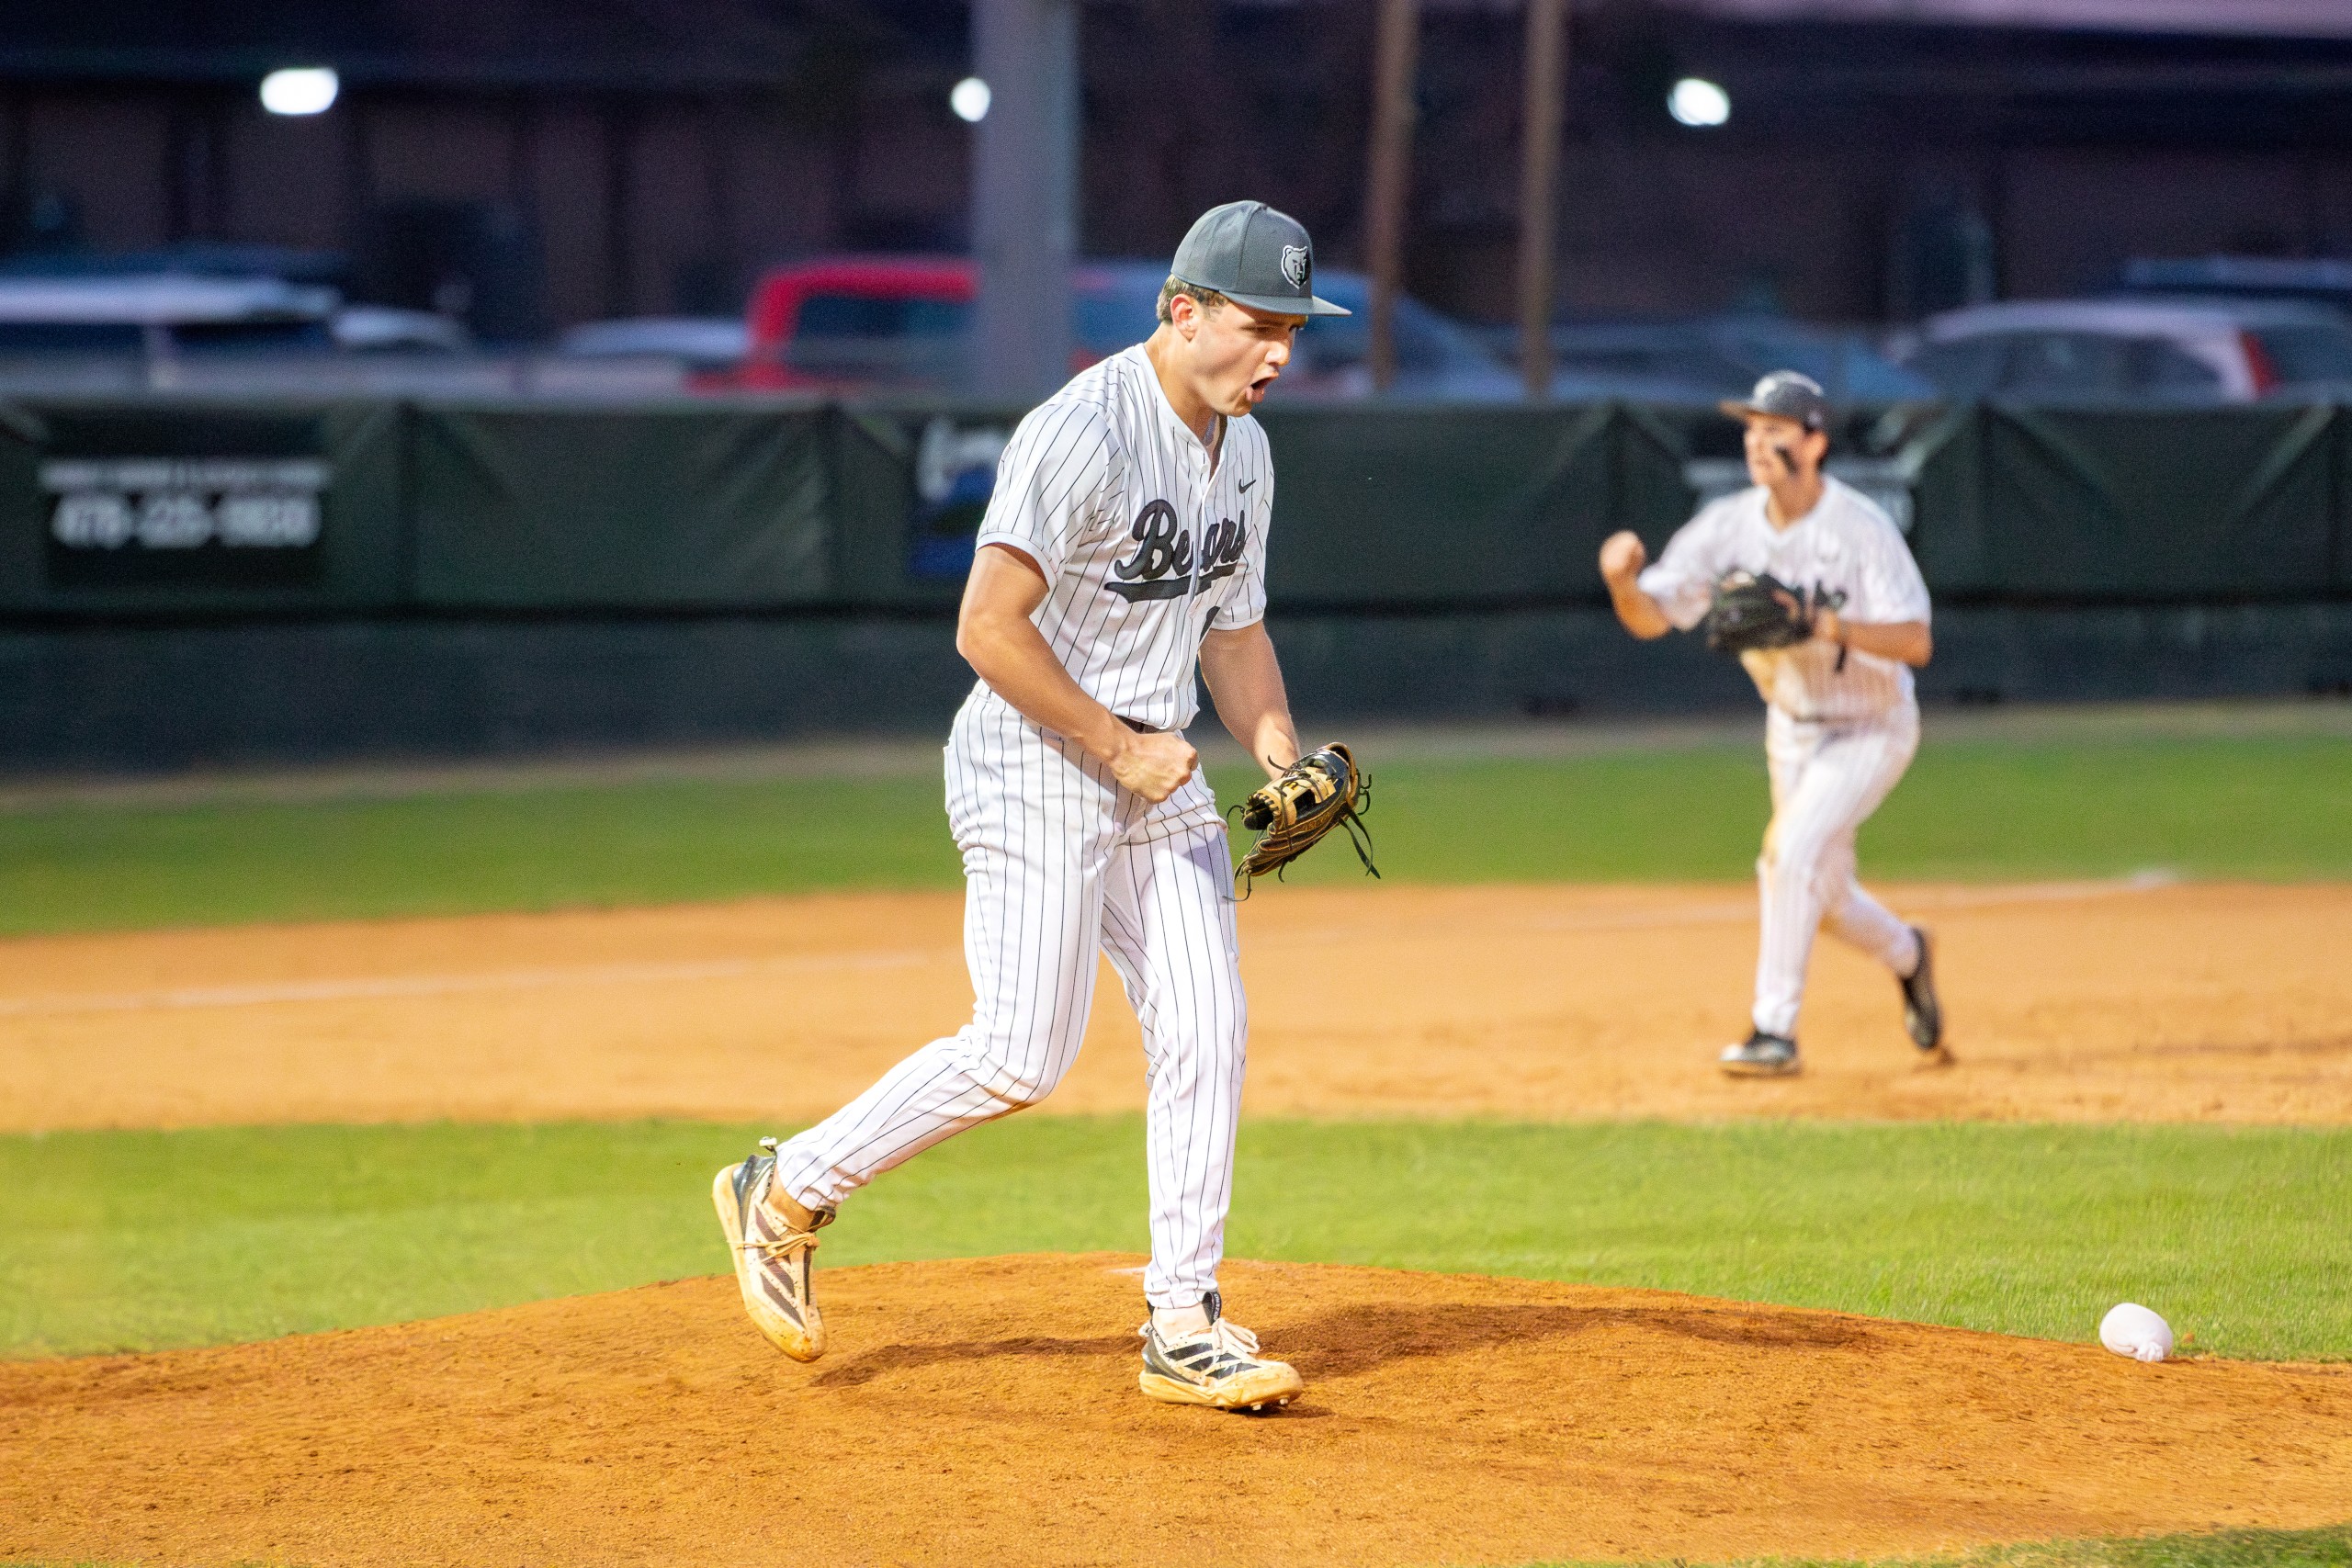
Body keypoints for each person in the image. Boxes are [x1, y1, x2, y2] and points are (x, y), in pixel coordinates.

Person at [713, 200, 1348, 1411]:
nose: (1278, 350)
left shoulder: (1248, 447)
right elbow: (983, 629)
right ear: (1182, 310)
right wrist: (1116, 743)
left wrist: (1277, 752)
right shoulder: (1084, 433)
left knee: (1208, 1026)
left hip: (1151, 771)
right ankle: (785, 1186)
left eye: (1293, 328)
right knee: (1019, 1049)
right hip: (1035, 760)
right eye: (1259, 321)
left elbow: (1236, 627)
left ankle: (1183, 1317)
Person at [1598, 370, 1945, 1077]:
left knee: (1788, 854)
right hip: (1791, 728)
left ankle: (1773, 1030)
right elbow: (1653, 618)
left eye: (1775, 429)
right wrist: (1623, 584)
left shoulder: (1859, 528)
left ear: (1814, 442)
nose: (1757, 441)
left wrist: (1820, 622)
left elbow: (1915, 640)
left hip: (1873, 724)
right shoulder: (1727, 527)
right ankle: (1909, 952)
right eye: (1752, 428)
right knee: (1823, 894)